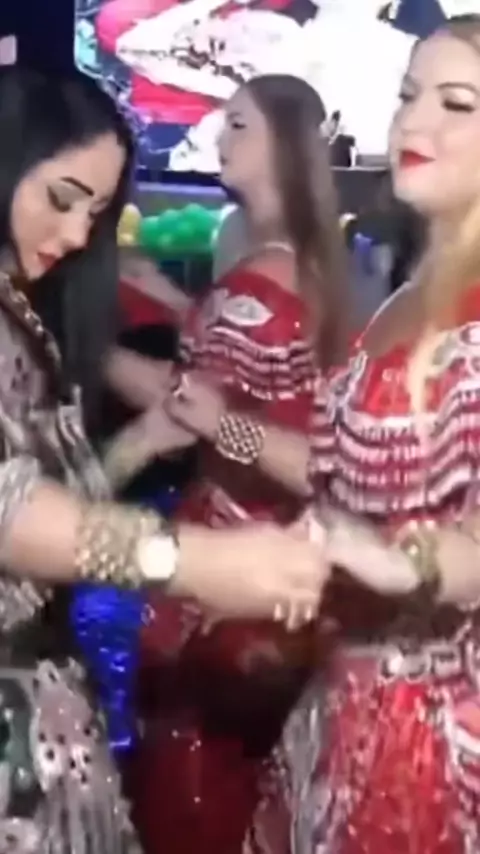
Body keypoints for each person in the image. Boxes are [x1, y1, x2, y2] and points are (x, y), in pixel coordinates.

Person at [172, 14, 480, 853]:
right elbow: (326, 472)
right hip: (336, 706)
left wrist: (403, 562)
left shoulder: (273, 279)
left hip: (437, 744)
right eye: (409, 95)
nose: (413, 121)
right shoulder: (404, 296)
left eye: (456, 103)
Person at [0, 64, 326, 853]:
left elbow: (313, 459)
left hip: (249, 561)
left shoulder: (285, 276)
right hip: (201, 560)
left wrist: (206, 436)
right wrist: (187, 550)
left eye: (239, 123)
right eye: (63, 199)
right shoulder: (236, 252)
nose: (77, 233)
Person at [118, 74, 348, 854]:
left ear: (283, 148)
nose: (220, 136)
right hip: (279, 569)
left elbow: (279, 444)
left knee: (191, 797)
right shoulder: (303, 270)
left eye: (240, 124)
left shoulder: (256, 291)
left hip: (231, 573)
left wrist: (89, 353)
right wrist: (174, 305)